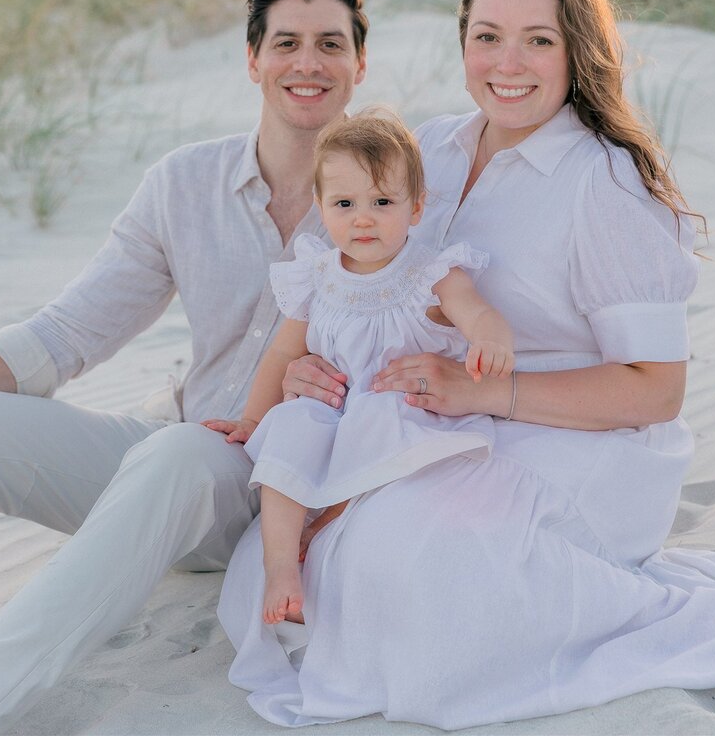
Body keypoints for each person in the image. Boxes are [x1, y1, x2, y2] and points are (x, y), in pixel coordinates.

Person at [221, 0, 715, 729]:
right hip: (433, 418)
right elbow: (332, 279)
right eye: (487, 37)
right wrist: (309, 368)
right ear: (463, 41)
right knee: (297, 547)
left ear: (578, 50)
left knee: (405, 553)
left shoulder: (603, 183)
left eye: (538, 40)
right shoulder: (427, 150)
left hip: (581, 439)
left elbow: (656, 390)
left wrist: (484, 391)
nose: (509, 63)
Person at [0, 0, 368, 736]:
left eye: (330, 45)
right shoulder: (184, 183)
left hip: (274, 499)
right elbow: (66, 335)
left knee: (180, 454)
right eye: (286, 43)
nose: (307, 64)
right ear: (253, 60)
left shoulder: (394, 199)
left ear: (358, 64)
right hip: (158, 462)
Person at [206, 110, 512, 626]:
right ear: (321, 208)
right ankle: (280, 562)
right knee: (291, 424)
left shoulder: (430, 272)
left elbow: (475, 311)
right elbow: (283, 354)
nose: (362, 218)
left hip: (396, 410)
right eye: (344, 204)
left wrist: (490, 336)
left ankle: (327, 520)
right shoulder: (317, 276)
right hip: (329, 412)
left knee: (377, 426)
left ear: (416, 208)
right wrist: (255, 419)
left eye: (382, 202)